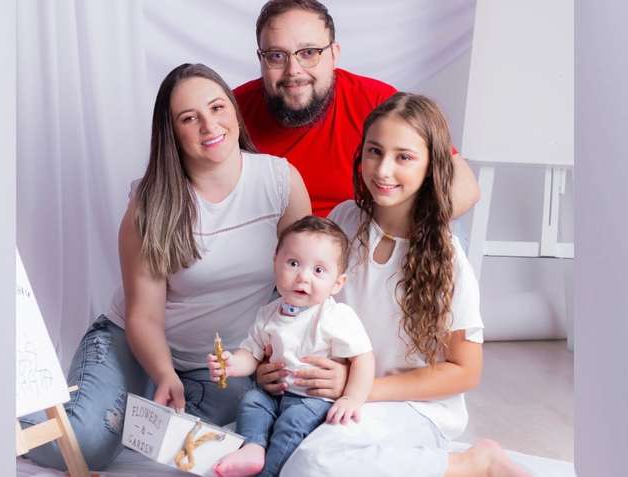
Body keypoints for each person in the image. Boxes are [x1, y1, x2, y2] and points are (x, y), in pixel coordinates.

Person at [20, 63, 311, 471]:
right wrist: (162, 373)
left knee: (220, 445)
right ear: (172, 132)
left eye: (217, 108)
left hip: (220, 365)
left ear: (234, 110)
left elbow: (303, 285)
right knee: (87, 444)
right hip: (136, 346)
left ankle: (127, 413)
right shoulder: (151, 201)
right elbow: (143, 314)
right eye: (189, 118)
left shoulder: (280, 182)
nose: (209, 126)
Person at [269, 93, 529, 476]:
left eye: (403, 157)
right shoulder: (343, 220)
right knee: (273, 453)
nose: (383, 170)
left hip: (411, 405)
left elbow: (464, 370)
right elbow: (310, 312)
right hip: (341, 395)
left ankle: (474, 463)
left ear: (430, 166)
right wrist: (274, 365)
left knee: (313, 463)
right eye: (374, 151)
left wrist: (359, 387)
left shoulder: (447, 257)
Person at [234, 0, 480, 217]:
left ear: (334, 54)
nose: (293, 70)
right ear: (261, 59)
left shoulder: (378, 103)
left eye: (309, 53)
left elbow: (464, 187)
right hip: (272, 258)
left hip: (362, 250)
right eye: (277, 56)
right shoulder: (228, 114)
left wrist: (396, 238)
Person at [207, 216, 375, 477]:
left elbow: (363, 358)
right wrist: (231, 364)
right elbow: (251, 353)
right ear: (275, 263)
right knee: (252, 400)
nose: (302, 277)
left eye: (319, 271)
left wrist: (351, 397)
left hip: (312, 399)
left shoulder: (335, 316)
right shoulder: (268, 313)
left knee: (291, 424)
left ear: (337, 283)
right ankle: (253, 447)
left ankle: (270, 472)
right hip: (275, 394)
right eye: (293, 263)